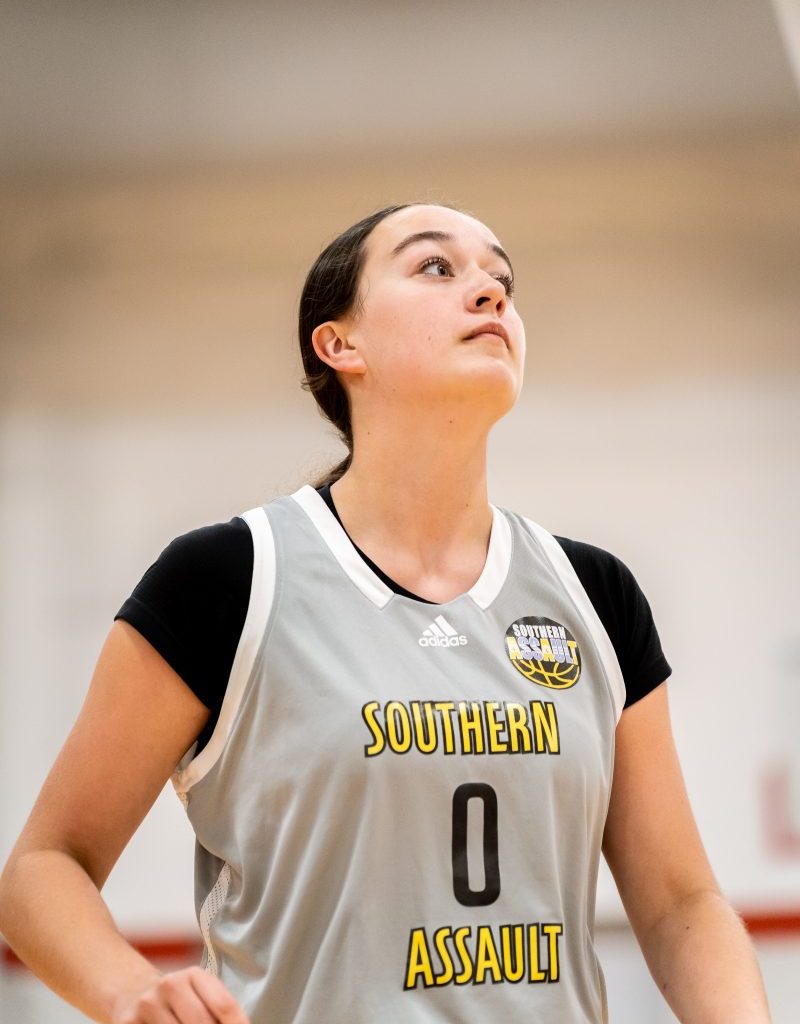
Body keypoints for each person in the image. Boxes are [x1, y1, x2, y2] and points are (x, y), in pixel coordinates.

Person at [0, 202, 771, 1024]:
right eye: (437, 267)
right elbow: (45, 866)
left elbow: (679, 904)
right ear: (340, 345)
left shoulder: (594, 592)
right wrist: (129, 992)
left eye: (503, 280)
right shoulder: (228, 580)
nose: (490, 293)